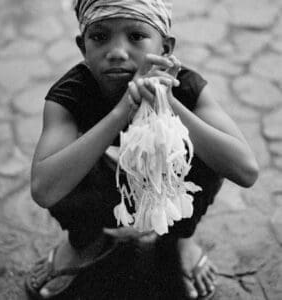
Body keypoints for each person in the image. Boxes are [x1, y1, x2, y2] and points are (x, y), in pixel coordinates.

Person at [25, 0, 259, 299]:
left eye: (136, 37)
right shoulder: (70, 94)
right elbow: (44, 188)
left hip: (166, 191)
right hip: (105, 195)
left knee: (206, 149)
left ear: (165, 47)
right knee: (64, 162)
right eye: (99, 37)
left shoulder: (184, 87)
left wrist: (169, 103)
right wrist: (123, 110)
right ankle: (84, 242)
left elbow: (246, 170)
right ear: (83, 47)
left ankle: (180, 239)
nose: (117, 52)